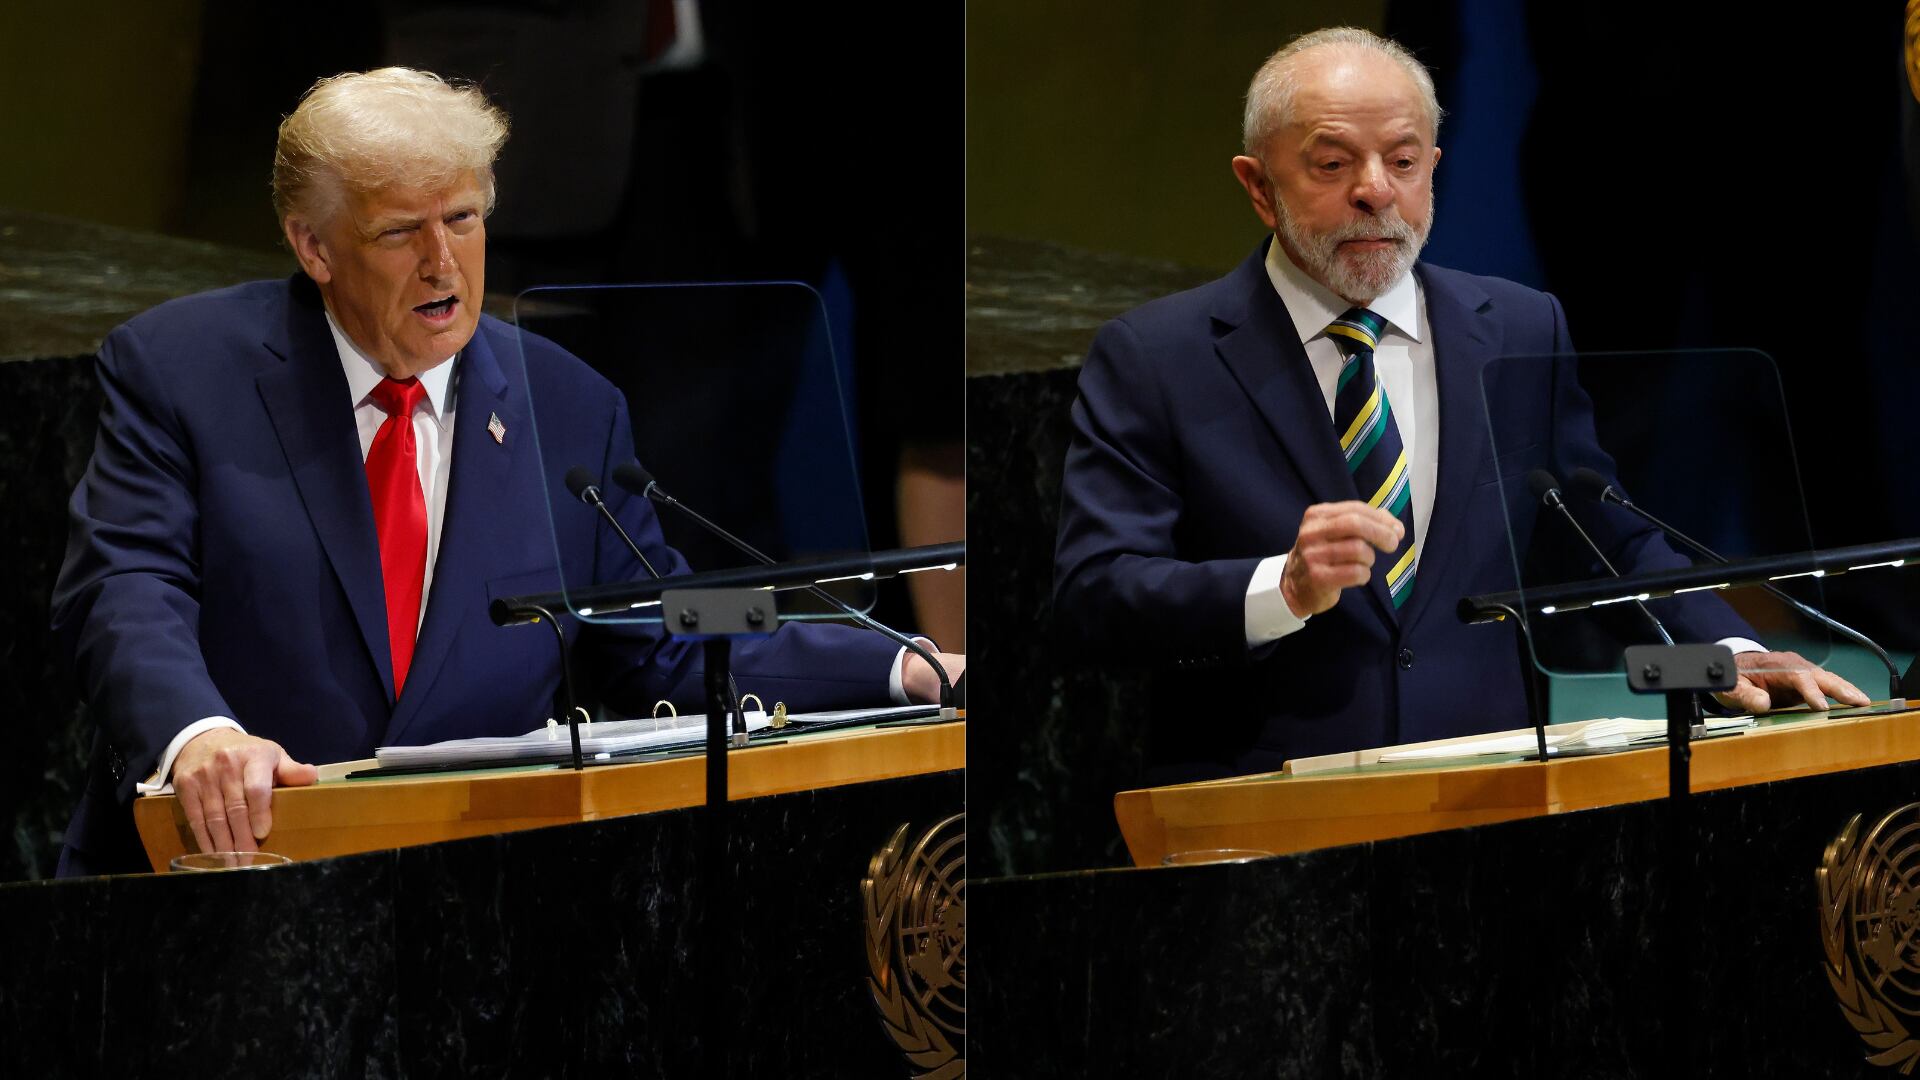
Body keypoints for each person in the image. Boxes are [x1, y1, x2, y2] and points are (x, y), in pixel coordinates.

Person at [50, 68, 962, 876]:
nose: (443, 262)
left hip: (476, 907)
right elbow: (126, 585)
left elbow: (674, 631)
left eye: (464, 219)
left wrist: (908, 667)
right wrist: (198, 735)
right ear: (314, 247)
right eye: (401, 232)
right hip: (227, 881)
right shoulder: (182, 370)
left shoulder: (570, 408)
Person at [1051, 27, 1862, 785]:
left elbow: (1599, 536)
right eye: (1332, 166)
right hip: (1264, 820)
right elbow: (1095, 598)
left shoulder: (1516, 326)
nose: (1376, 192)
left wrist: (1726, 648)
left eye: (1402, 161)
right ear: (1258, 187)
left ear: (1433, 167)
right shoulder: (1158, 357)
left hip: (1489, 805)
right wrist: (1281, 587)